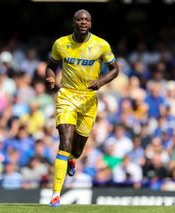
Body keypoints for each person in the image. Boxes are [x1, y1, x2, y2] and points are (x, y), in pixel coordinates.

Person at [45, 9, 119, 207]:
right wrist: (51, 76)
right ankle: (55, 195)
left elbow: (115, 70)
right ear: (74, 22)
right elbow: (51, 65)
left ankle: (73, 160)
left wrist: (101, 82)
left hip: (89, 99)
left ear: (91, 23)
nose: (83, 22)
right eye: (79, 19)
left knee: (77, 148)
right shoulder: (61, 44)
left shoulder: (101, 45)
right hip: (67, 95)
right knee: (65, 143)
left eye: (86, 19)